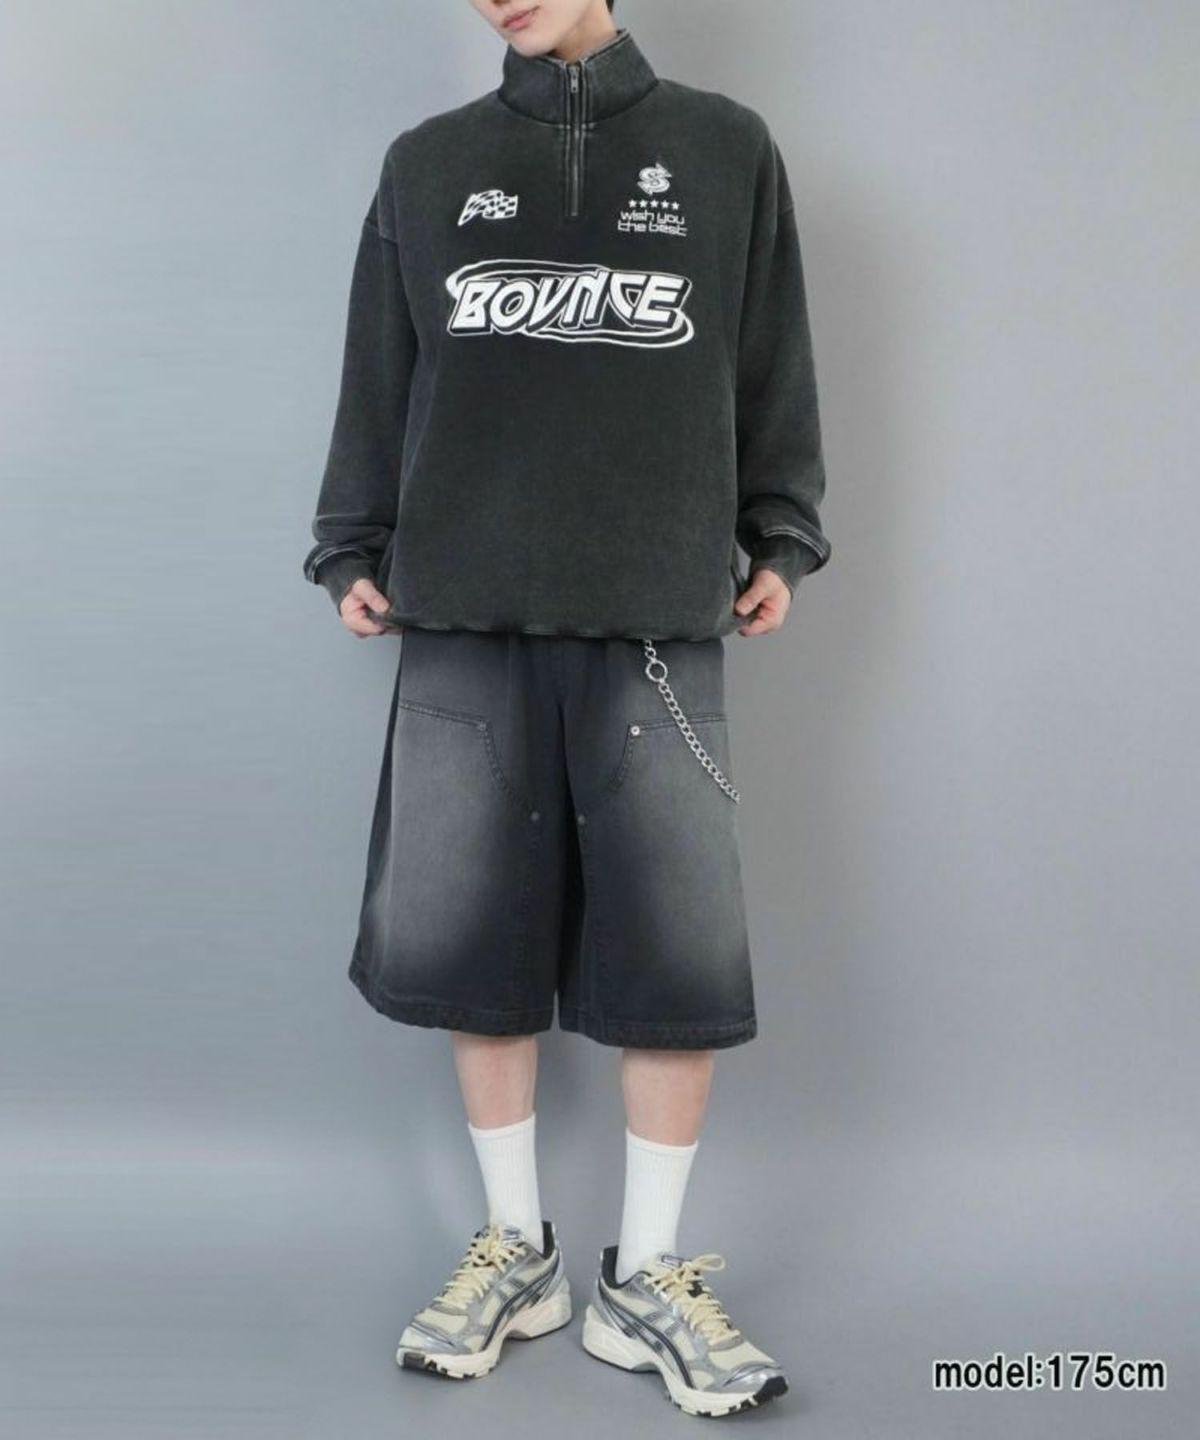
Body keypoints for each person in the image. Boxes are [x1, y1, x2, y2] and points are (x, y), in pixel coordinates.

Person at [301, 0, 831, 1418]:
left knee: (675, 950)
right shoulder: (428, 164)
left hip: (656, 609)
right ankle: (516, 1252)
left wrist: (780, 532)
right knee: (471, 936)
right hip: (464, 606)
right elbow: (381, 371)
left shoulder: (726, 151)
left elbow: (769, 359)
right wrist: (352, 540)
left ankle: (645, 1278)